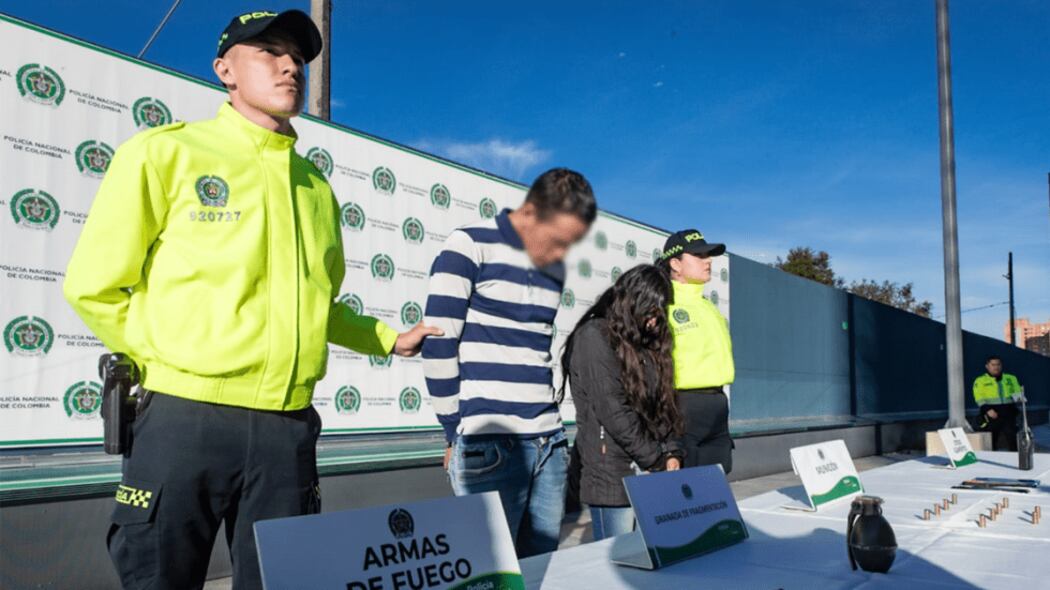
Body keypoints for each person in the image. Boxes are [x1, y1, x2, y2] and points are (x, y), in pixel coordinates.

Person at [63, 10, 439, 589]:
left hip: (287, 431)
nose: (291, 65)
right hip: (184, 422)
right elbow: (93, 285)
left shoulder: (317, 190)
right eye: (268, 51)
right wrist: (174, 360)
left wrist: (388, 338)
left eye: (298, 57)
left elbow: (320, 303)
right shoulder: (165, 154)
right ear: (225, 70)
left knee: (285, 582)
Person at [422, 168, 596, 557]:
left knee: (542, 568)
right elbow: (438, 343)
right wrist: (454, 429)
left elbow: (537, 354)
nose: (560, 251)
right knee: (490, 568)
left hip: (550, 443)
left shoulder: (554, 269)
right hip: (490, 444)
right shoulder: (468, 244)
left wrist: (555, 435)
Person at [561, 265, 684, 541]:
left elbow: (665, 403)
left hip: (651, 469)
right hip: (612, 473)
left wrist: (672, 452)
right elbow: (613, 410)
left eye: (661, 311)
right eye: (652, 310)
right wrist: (656, 459)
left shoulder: (648, 340)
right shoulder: (594, 336)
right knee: (615, 566)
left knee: (651, 565)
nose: (656, 319)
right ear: (634, 301)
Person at [658, 229, 735, 473]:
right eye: (699, 255)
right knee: (679, 496)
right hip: (681, 408)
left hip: (717, 407)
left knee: (715, 493)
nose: (708, 260)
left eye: (709, 255)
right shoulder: (662, 304)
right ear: (675, 264)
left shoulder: (708, 308)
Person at [973, 356, 1024, 451]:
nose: (996, 367)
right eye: (993, 365)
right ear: (987, 366)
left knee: (1012, 439)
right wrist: (987, 409)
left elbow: (1017, 394)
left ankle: (1015, 461)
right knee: (992, 440)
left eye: (998, 364)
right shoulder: (980, 380)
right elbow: (979, 397)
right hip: (991, 413)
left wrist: (1020, 400)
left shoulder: (1011, 378)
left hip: (1008, 412)